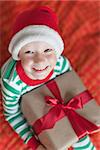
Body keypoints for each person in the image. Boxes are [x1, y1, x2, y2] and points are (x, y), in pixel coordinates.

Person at [1, 6, 96, 150]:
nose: (40, 60)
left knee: (79, 134)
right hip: (32, 106)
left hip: (55, 97)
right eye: (29, 52)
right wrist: (34, 143)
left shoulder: (61, 64)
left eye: (47, 50)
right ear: (18, 55)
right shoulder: (12, 83)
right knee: (50, 141)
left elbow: (71, 85)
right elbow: (12, 114)